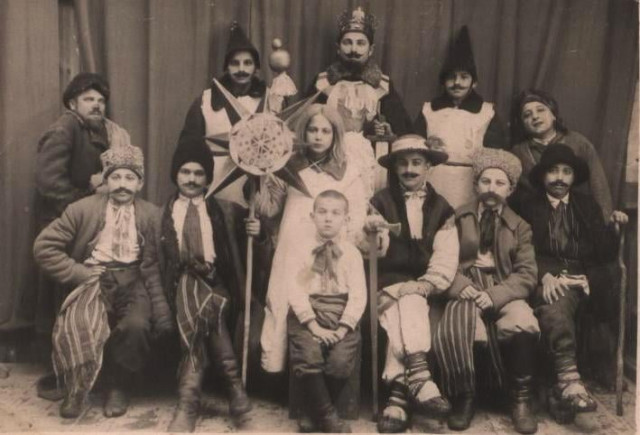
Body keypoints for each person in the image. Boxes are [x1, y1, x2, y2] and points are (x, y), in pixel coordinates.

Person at [33, 146, 172, 419]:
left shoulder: (152, 215)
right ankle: (76, 387)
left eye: (130, 178)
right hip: (94, 278)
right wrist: (79, 273)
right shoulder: (81, 209)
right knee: (81, 322)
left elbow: (158, 262)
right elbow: (44, 247)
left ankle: (118, 387)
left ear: (140, 183)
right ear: (106, 181)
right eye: (115, 177)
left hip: (134, 279)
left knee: (136, 325)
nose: (122, 184)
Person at [432, 148, 540, 434]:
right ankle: (465, 396)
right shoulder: (457, 217)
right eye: (486, 181)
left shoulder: (520, 226)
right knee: (460, 325)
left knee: (523, 321)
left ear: (511, 189)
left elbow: (527, 274)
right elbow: (442, 259)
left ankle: (520, 399)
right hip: (467, 285)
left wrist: (494, 295)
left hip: (504, 286)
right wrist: (459, 285)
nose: (492, 188)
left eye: (500, 183)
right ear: (476, 184)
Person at [255, 104, 368, 375]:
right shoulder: (288, 165)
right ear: (303, 132)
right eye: (313, 129)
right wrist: (260, 177)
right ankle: (281, 372)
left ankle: (323, 370)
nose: (318, 136)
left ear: (335, 134)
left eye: (325, 131)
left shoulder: (348, 170)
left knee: (323, 299)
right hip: (293, 244)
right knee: (285, 299)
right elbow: (270, 209)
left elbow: (356, 215)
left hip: (331, 247)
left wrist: (346, 244)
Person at [159, 138, 256, 432]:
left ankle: (188, 403)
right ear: (175, 174)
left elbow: (257, 244)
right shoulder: (161, 214)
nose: (191, 179)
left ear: (208, 178)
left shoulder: (226, 211)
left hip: (216, 285)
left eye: (199, 173)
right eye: (185, 172)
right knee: (203, 311)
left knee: (209, 306)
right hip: (178, 287)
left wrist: (258, 232)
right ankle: (234, 392)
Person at [366, 134, 458, 433]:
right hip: (386, 283)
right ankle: (419, 375)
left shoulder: (442, 208)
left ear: (428, 166)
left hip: (423, 286)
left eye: (417, 163)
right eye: (403, 164)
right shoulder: (379, 202)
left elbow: (446, 256)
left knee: (409, 304)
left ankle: (397, 399)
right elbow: (373, 253)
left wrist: (426, 285)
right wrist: (373, 233)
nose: (409, 170)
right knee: (405, 302)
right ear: (394, 168)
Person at [518, 144, 618, 417]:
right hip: (544, 275)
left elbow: (604, 254)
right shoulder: (528, 206)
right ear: (542, 176)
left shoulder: (586, 206)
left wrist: (613, 227)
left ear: (574, 177)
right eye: (553, 171)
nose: (560, 178)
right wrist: (544, 275)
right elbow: (521, 249)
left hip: (582, 276)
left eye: (566, 172)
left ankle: (575, 379)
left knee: (591, 297)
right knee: (556, 303)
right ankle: (568, 379)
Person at [34, 72, 132, 340]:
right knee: (63, 293)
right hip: (62, 220)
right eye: (88, 99)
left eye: (100, 100)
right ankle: (61, 352)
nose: (96, 105)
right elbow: (49, 184)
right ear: (72, 104)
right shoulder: (64, 129)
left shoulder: (100, 131)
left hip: (86, 221)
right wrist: (88, 195)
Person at [306, 7, 412, 195]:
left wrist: (387, 130)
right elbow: (304, 126)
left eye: (360, 43)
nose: (354, 49)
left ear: (371, 50)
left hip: (369, 165)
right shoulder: (321, 83)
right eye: (347, 42)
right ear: (338, 48)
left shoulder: (384, 87)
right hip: (327, 161)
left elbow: (403, 134)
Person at [286, 190, 367, 433]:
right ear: (312, 216)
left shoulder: (351, 254)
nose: (328, 218)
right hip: (308, 314)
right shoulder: (301, 250)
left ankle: (313, 412)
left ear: (346, 219)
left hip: (341, 316)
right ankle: (328, 418)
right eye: (322, 212)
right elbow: (295, 290)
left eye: (335, 213)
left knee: (340, 362)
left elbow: (358, 295)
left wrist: (342, 329)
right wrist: (314, 326)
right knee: (309, 355)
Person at [413, 26, 507, 209]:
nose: (457, 83)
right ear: (443, 82)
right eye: (451, 77)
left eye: (464, 77)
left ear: (474, 82)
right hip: (435, 180)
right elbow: (416, 147)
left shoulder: (487, 112)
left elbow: (495, 156)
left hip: (470, 183)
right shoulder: (429, 110)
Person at [176, 21, 267, 208]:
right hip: (215, 183)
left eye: (248, 63)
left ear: (256, 67)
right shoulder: (205, 100)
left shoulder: (269, 99)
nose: (241, 69)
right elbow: (188, 147)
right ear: (226, 66)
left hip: (255, 184)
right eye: (235, 63)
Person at [510, 89, 628, 225]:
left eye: (541, 110)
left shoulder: (579, 143)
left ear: (553, 115)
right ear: (522, 123)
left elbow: (598, 185)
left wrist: (605, 221)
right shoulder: (518, 152)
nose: (535, 117)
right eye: (527, 115)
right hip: (537, 221)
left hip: (578, 218)